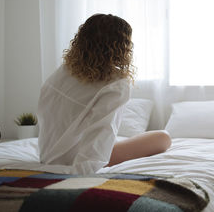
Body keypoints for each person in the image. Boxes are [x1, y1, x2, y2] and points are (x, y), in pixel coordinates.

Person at [37, 14, 171, 174]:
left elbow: (46, 116)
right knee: (163, 137)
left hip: (48, 154)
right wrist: (83, 170)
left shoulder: (63, 71)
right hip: (77, 159)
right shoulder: (116, 82)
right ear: (123, 46)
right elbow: (103, 130)